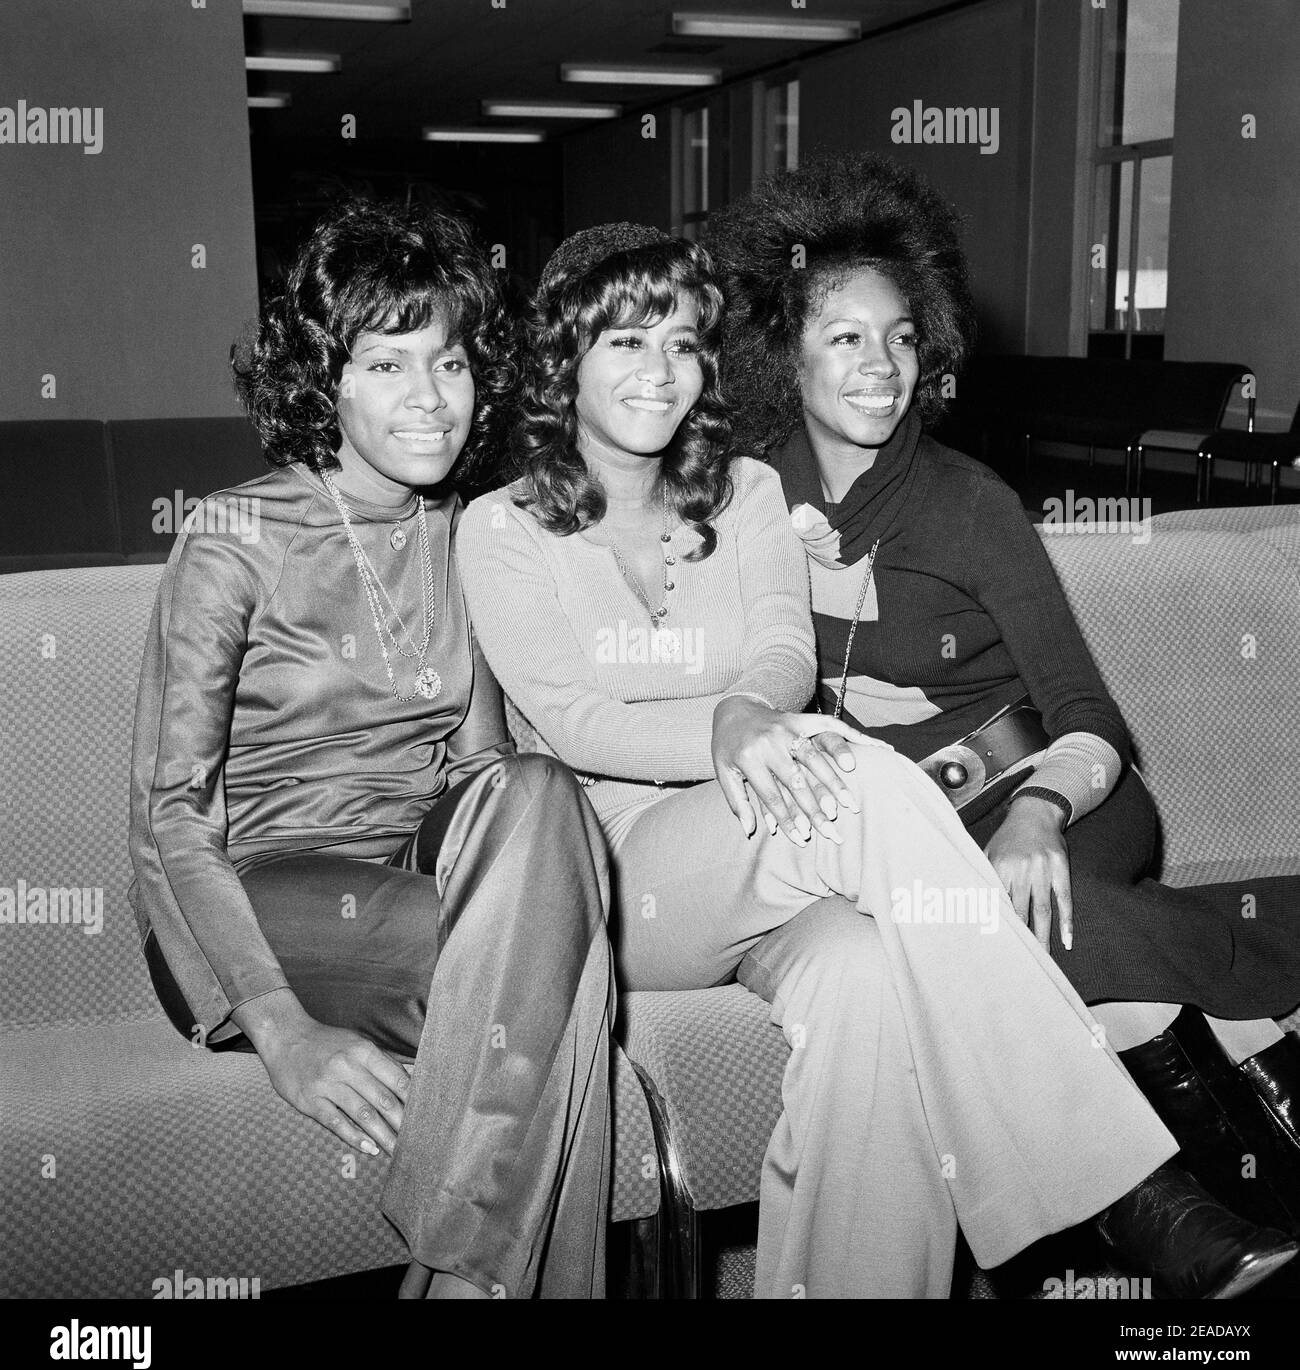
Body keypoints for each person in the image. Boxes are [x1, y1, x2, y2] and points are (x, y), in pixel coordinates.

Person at [454, 221, 1297, 1298]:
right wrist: (722, 731)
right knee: (851, 770)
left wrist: (754, 713)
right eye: (623, 343)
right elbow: (570, 717)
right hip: (622, 866)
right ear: (562, 359)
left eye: (678, 342)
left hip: (779, 832)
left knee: (870, 988)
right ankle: (1125, 1191)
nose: (657, 371)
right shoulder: (501, 526)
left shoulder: (745, 493)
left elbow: (777, 648)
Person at [705, 150, 1300, 1236]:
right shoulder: (749, 496)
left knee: (1000, 925)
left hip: (1045, 795)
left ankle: (1270, 961)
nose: (880, 365)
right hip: (897, 827)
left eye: (898, 337)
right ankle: (1244, 1065)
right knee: (937, 933)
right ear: (779, 355)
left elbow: (1090, 718)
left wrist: (1035, 812)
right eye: (843, 337)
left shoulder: (969, 504)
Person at [128, 198, 614, 1300]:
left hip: (417, 881)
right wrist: (279, 1027)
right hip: (254, 893)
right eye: (388, 365)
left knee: (540, 793)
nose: (429, 400)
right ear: (326, 381)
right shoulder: (233, 537)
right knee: (564, 978)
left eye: (448, 363)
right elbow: (169, 817)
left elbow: (485, 776)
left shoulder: (474, 531)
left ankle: (461, 1273)